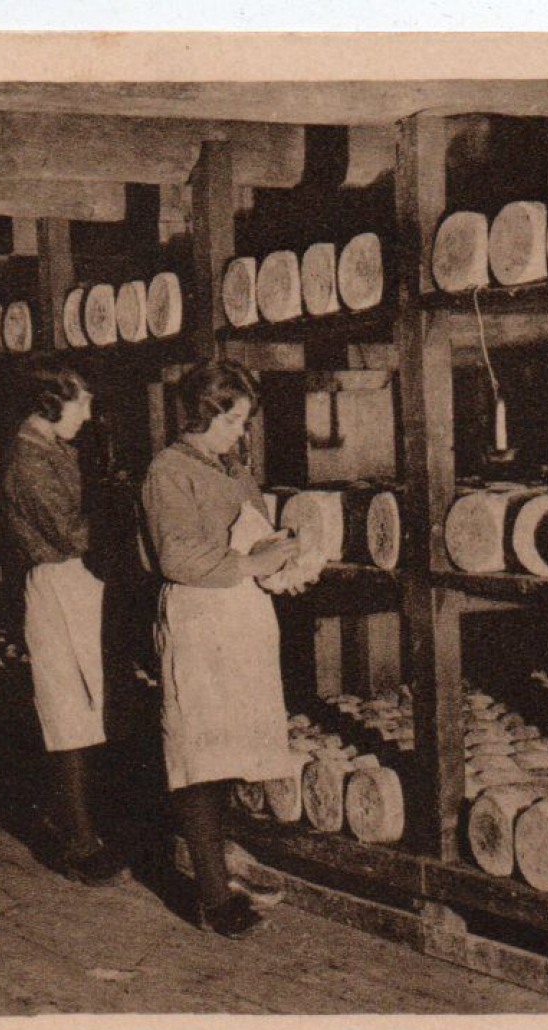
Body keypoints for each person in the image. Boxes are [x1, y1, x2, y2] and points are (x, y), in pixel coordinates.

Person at [140, 360, 301, 938]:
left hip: (240, 617)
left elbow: (254, 532)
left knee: (230, 749)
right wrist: (251, 564)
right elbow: (176, 557)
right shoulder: (167, 471)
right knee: (199, 756)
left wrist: (284, 557)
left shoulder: (230, 467)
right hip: (201, 616)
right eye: (236, 420)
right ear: (207, 414)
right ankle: (211, 897)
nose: (243, 432)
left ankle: (221, 868)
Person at [0, 362, 128, 886]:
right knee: (67, 710)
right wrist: (119, 510)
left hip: (73, 584)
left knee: (87, 707)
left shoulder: (51, 449)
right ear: (51, 403)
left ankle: (85, 827)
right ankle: (76, 839)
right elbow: (71, 534)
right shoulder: (29, 461)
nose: (89, 413)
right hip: (56, 585)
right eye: (82, 403)